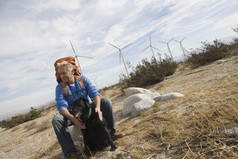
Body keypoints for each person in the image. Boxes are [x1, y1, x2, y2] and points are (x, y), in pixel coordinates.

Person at [52, 60, 116, 158]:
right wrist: (74, 120)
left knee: (106, 102)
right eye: (60, 74)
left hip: (89, 110)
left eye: (64, 73)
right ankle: (71, 153)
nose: (62, 76)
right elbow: (62, 107)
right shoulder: (60, 88)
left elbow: (95, 94)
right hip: (72, 114)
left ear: (72, 72)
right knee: (57, 120)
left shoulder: (82, 80)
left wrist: (98, 109)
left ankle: (111, 134)